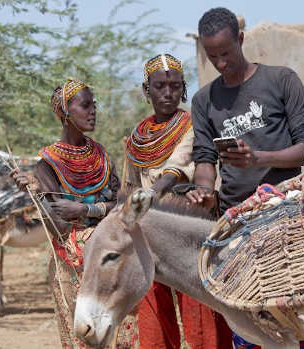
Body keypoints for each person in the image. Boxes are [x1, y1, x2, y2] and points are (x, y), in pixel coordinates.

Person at [187, 7, 304, 349]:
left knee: (297, 303)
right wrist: (203, 191)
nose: (220, 63)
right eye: (212, 56)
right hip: (237, 219)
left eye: (226, 53)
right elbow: (205, 159)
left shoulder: (281, 80)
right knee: (247, 312)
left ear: (241, 40)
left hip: (287, 209)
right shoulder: (204, 101)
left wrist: (257, 158)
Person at [12, 79, 138, 349]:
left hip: (111, 259)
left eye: (94, 104)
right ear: (66, 112)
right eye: (85, 105)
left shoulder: (101, 155)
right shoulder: (48, 163)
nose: (93, 111)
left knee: (122, 335)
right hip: (73, 265)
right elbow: (58, 225)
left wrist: (85, 209)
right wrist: (36, 193)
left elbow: (119, 205)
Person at [122, 53, 233, 349]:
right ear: (147, 90)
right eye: (160, 86)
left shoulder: (194, 126)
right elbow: (132, 185)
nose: (168, 93)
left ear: (183, 88)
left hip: (188, 228)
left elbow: (181, 166)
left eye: (174, 86)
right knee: (154, 314)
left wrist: (153, 193)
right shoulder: (136, 140)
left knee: (200, 312)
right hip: (150, 232)